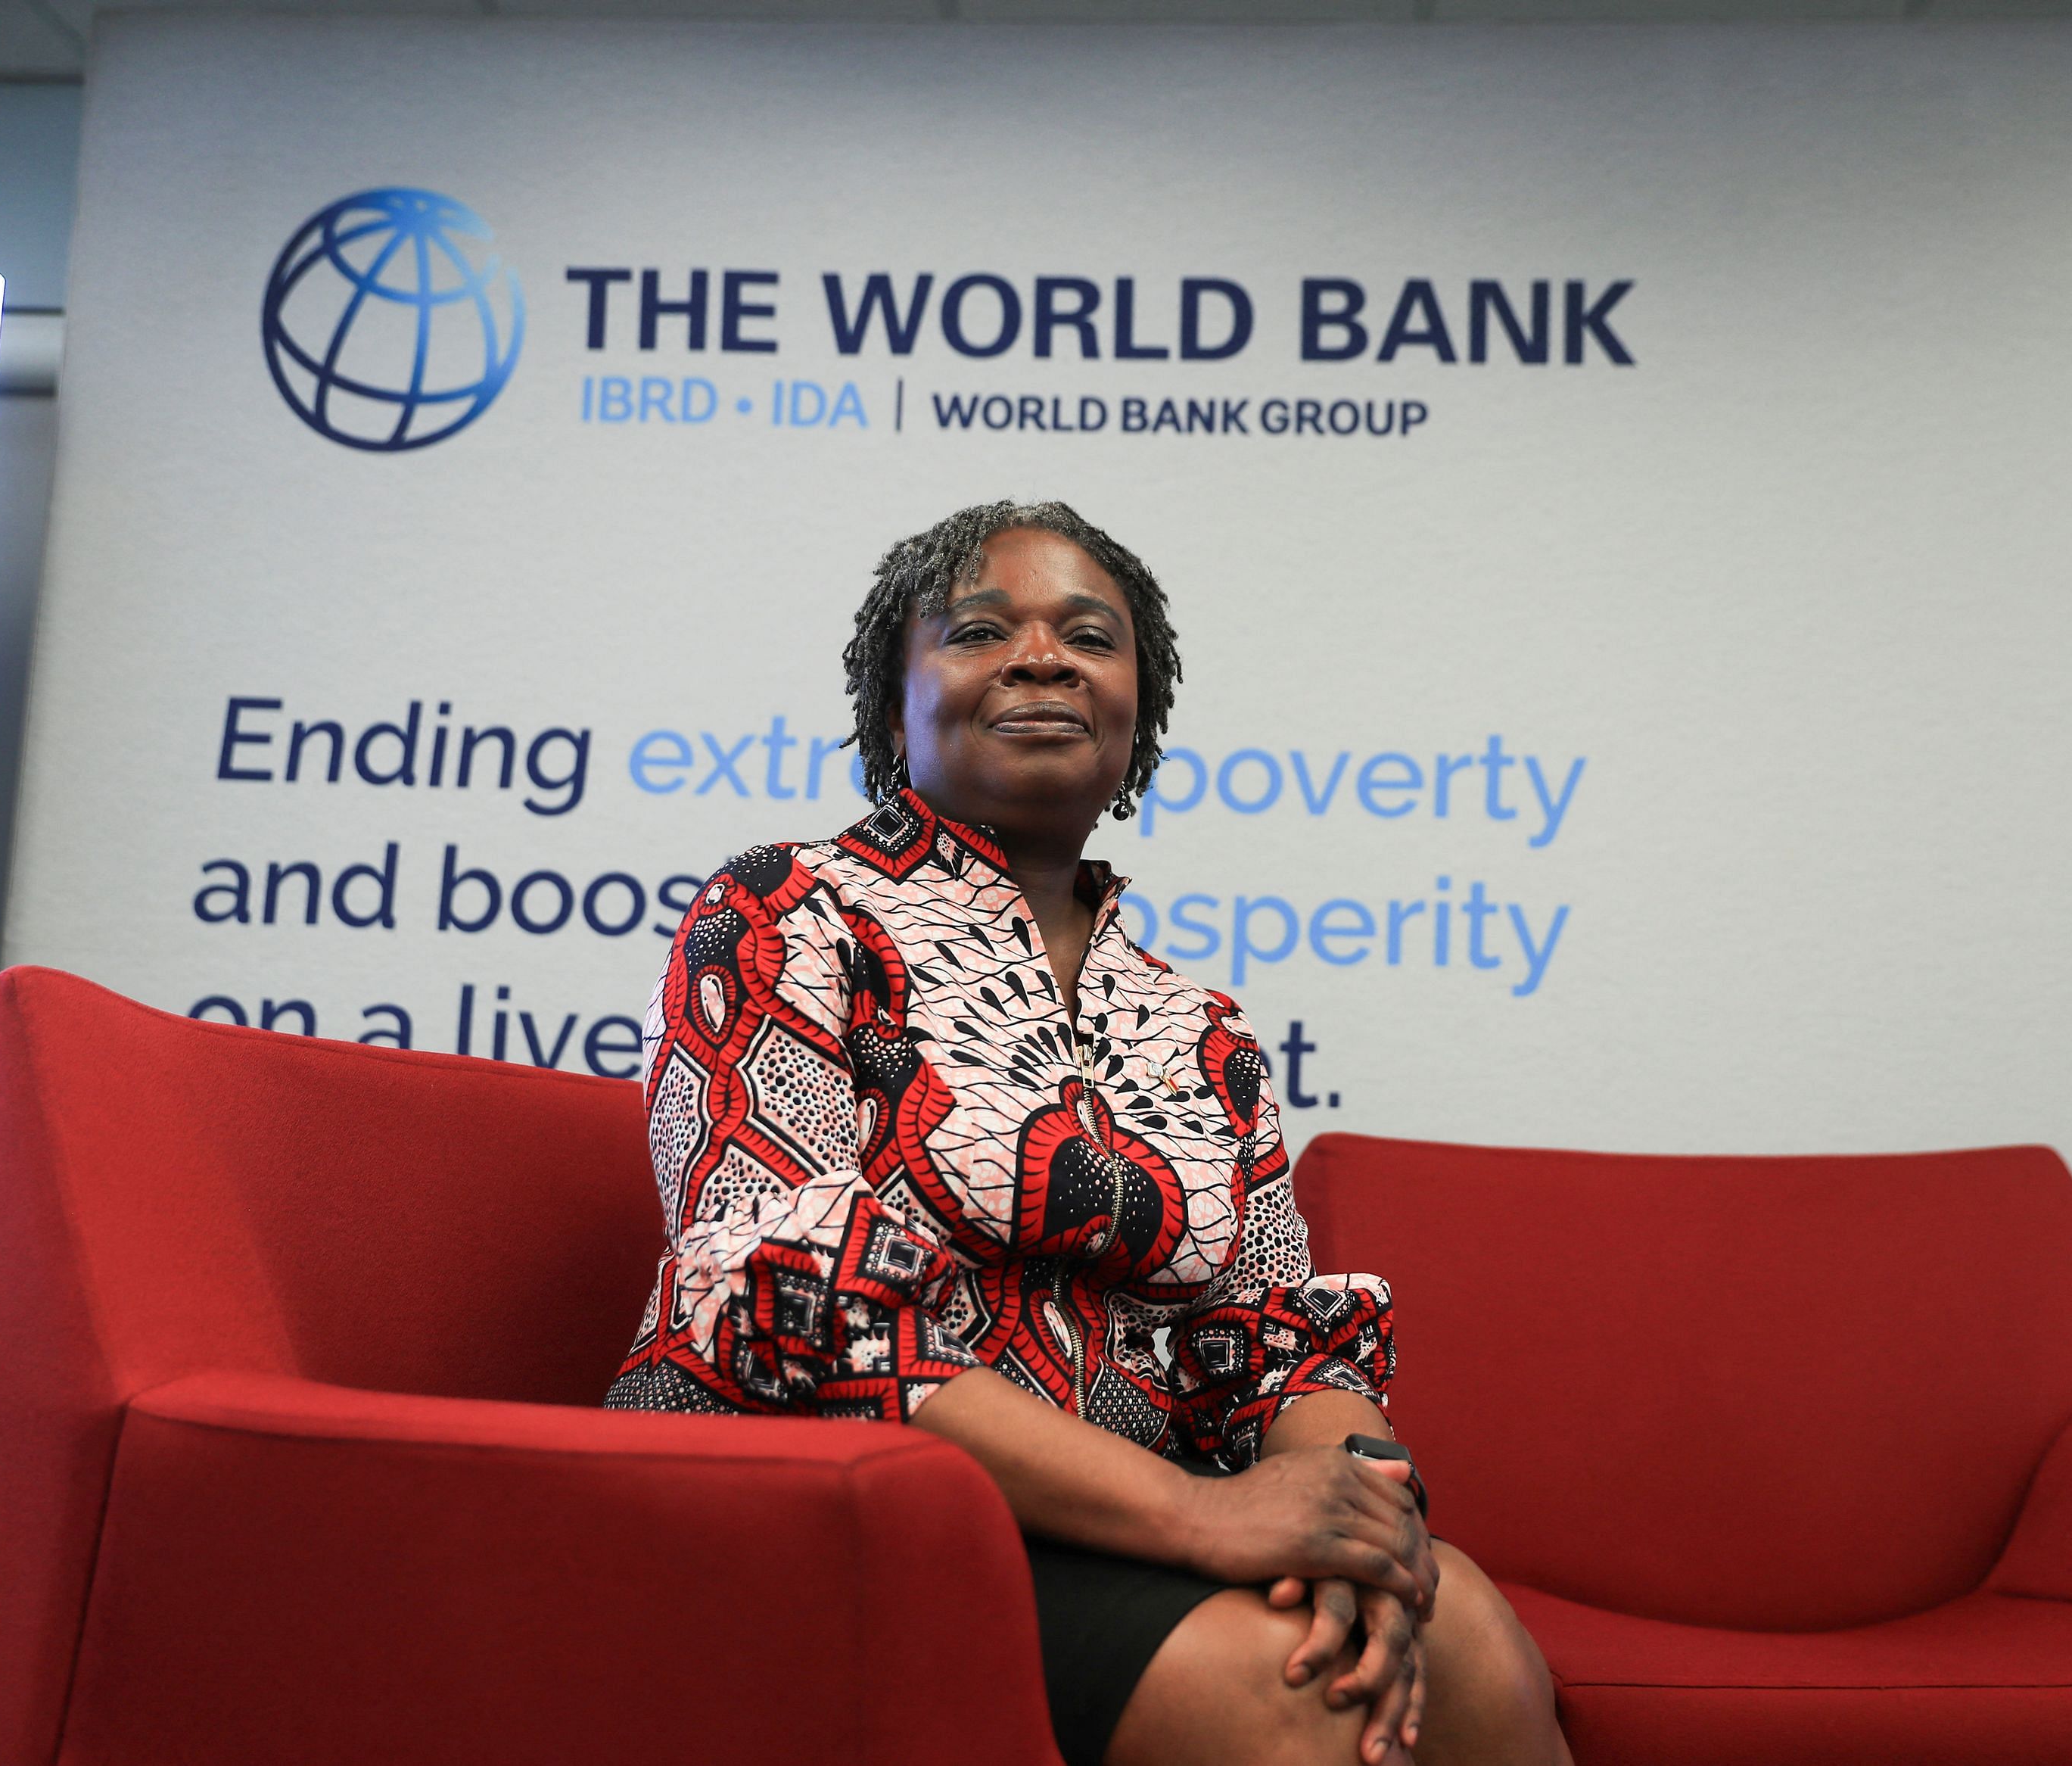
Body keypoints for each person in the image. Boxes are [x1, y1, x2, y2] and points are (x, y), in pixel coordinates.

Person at [606, 500, 1570, 1766]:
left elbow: (1282, 1340)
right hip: (834, 1511)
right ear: (896, 711)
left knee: (1473, 1644)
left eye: (1089, 637)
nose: (1044, 657)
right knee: (1290, 1694)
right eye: (980, 629)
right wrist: (1197, 1515)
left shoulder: (1202, 1028)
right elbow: (797, 1301)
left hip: (1126, 1536)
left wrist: (1351, 1527)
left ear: (1138, 713)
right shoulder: (785, 914)